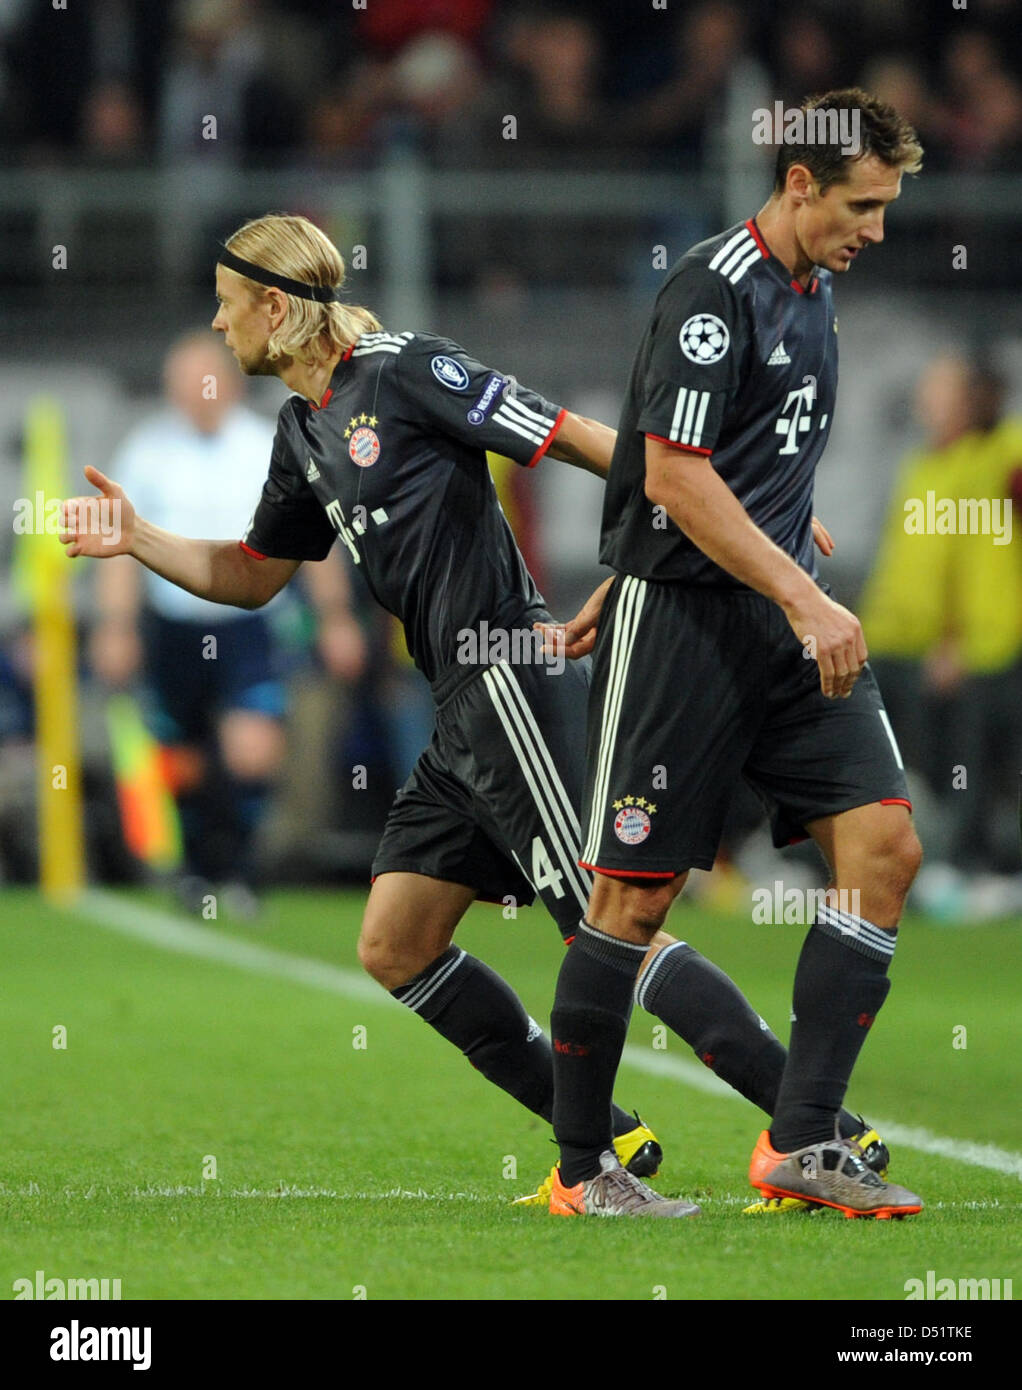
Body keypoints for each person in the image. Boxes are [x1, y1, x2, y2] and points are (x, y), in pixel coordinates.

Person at [61, 213, 888, 1209]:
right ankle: (603, 1126)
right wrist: (138, 536)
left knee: (607, 923)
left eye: (227, 302)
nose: (216, 319)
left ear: (274, 305)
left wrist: (750, 523)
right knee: (393, 943)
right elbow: (248, 575)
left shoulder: (404, 369)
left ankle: (815, 1126)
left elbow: (573, 436)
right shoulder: (300, 430)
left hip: (513, 681)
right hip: (456, 706)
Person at [546, 89, 926, 1219]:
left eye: (889, 206)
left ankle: (802, 1139)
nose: (876, 229)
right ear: (799, 182)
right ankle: (581, 1171)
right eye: (861, 204)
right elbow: (670, 474)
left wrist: (785, 550)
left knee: (884, 848)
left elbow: (737, 465)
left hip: (776, 617)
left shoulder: (813, 295)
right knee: (631, 897)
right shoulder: (711, 292)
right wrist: (798, 591)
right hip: (689, 632)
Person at [90, 331, 365, 912]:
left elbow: (315, 538)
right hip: (173, 624)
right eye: (183, 384)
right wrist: (114, 626)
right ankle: (196, 869)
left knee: (252, 748)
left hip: (251, 624)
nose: (196, 395)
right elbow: (121, 546)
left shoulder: (267, 444)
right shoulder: (146, 452)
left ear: (229, 382)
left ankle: (239, 869)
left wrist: (336, 618)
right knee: (181, 756)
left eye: (204, 381)